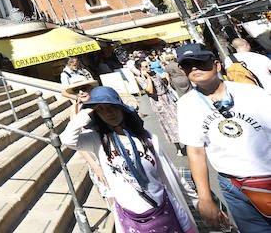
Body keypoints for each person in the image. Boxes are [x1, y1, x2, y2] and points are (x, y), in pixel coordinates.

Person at [60, 87, 197, 233]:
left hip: (164, 211)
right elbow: (67, 139)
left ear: (122, 109)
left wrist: (196, 201)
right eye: (102, 110)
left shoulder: (147, 137)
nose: (109, 113)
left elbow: (171, 173)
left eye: (113, 107)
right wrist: (87, 110)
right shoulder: (97, 140)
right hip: (130, 220)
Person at [175, 43, 271, 231]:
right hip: (234, 186)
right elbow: (195, 151)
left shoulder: (250, 93)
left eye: (200, 62)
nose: (194, 67)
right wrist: (205, 199)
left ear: (217, 65)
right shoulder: (187, 104)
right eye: (188, 65)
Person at [135, 59, 183, 155]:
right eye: (146, 66)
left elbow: (163, 80)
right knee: (169, 125)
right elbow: (150, 90)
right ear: (141, 68)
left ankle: (189, 141)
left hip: (168, 99)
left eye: (149, 65)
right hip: (158, 102)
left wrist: (166, 78)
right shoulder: (140, 78)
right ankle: (178, 148)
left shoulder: (154, 72)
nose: (149, 68)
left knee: (179, 119)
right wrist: (148, 77)